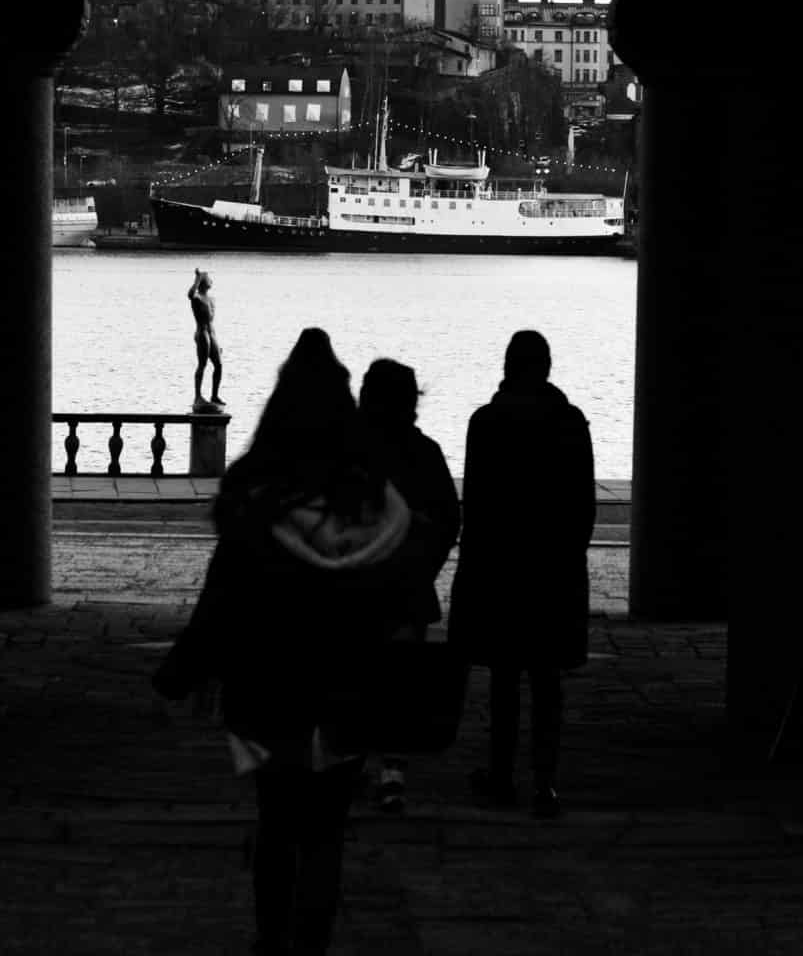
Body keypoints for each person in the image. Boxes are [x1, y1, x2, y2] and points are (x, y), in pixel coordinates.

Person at [153, 327, 413, 956]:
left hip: (270, 694)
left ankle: (272, 939)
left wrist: (183, 670)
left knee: (277, 822)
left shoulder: (255, 503)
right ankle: (313, 943)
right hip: (348, 694)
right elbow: (398, 603)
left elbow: (222, 602)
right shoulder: (377, 508)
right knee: (327, 834)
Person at [446, 329, 595, 820]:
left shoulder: (484, 424)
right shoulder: (572, 424)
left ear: (508, 366)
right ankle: (545, 783)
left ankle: (502, 775)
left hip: (501, 568)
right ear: (547, 368)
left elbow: (479, 508)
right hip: (553, 569)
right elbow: (583, 509)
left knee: (505, 678)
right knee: (548, 680)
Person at [355, 357, 460, 815]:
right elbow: (449, 520)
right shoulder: (425, 453)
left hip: (356, 584)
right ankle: (391, 769)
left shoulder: (347, 451)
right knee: (398, 680)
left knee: (355, 673)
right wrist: (425, 566)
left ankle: (351, 755)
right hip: (407, 586)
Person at [190, 269, 225, 409]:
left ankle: (214, 395)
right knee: (202, 364)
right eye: (209, 278)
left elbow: (212, 321)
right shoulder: (197, 297)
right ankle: (198, 396)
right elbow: (190, 294)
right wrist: (197, 279)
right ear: (203, 283)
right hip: (202, 333)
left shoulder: (211, 299)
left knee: (219, 364)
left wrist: (217, 342)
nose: (211, 281)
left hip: (212, 333)